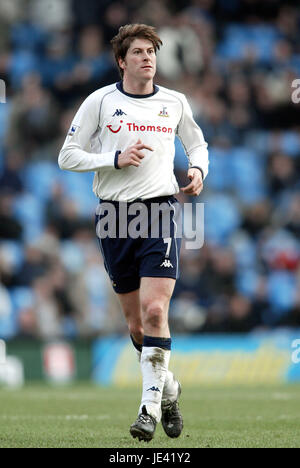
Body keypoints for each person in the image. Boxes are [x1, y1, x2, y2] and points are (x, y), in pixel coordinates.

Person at [58, 23, 209, 442]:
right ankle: (169, 390)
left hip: (160, 211)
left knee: (156, 311)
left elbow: (197, 143)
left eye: (152, 52)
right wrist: (115, 158)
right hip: (114, 218)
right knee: (138, 328)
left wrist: (198, 169)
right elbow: (66, 156)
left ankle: (147, 410)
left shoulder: (175, 102)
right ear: (122, 61)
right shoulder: (101, 102)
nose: (148, 58)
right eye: (139, 52)